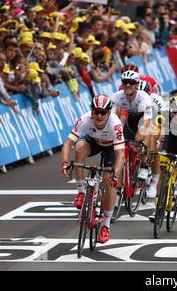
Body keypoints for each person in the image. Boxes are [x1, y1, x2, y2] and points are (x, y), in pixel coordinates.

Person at [61, 95, 125, 244]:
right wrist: (64, 162)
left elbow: (120, 155)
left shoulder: (115, 124)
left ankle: (106, 226)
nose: (99, 115)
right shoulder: (84, 120)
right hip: (94, 142)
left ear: (109, 112)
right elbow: (67, 143)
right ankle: (81, 192)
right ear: (92, 111)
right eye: (96, 112)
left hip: (111, 148)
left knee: (108, 181)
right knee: (78, 149)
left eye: (103, 112)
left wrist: (115, 174)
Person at [111, 70, 153, 181]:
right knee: (119, 141)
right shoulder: (117, 97)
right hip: (130, 120)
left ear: (137, 85)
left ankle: (144, 166)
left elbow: (147, 122)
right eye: (125, 82)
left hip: (143, 120)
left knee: (139, 140)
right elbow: (112, 118)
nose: (128, 85)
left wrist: (143, 143)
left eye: (131, 82)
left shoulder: (144, 98)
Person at [137, 79, 167, 199]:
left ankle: (154, 180)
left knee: (155, 146)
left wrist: (160, 137)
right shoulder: (133, 99)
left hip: (156, 122)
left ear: (150, 93)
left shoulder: (157, 100)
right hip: (140, 123)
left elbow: (162, 121)